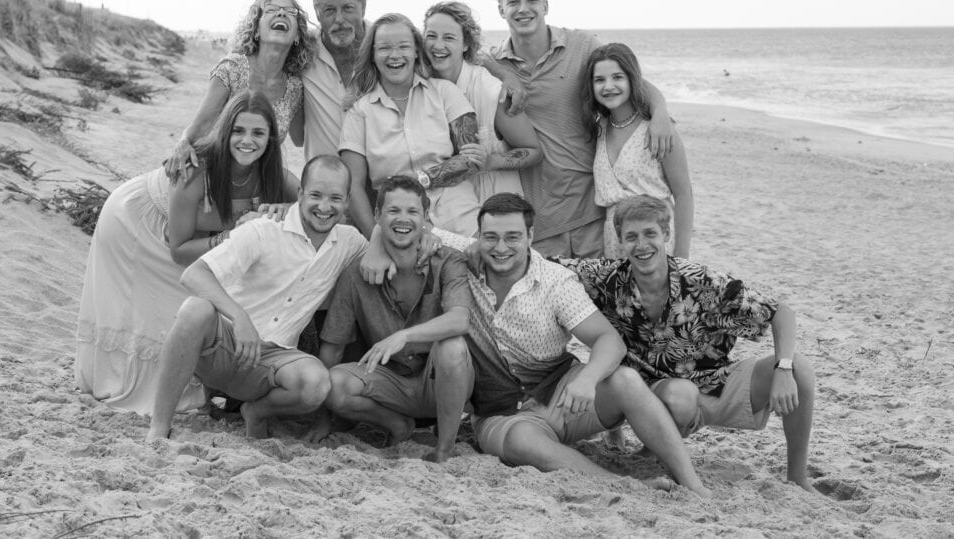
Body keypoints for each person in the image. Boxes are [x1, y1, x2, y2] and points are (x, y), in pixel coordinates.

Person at [424, 194, 709, 494]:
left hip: (561, 393)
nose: (501, 247)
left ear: (531, 235)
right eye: (490, 237)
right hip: (500, 411)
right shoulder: (462, 262)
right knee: (520, 442)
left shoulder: (554, 281)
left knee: (625, 379)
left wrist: (587, 380)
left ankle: (692, 483)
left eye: (513, 237)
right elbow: (411, 224)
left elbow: (609, 340)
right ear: (478, 236)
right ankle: (624, 486)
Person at [557, 195, 816, 491]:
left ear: (666, 235)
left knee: (800, 368)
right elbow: (542, 265)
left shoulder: (700, 280)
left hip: (713, 383)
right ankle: (654, 453)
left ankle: (798, 478)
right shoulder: (605, 278)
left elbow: (779, 313)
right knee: (680, 395)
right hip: (654, 396)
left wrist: (783, 369)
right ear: (620, 242)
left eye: (650, 234)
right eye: (631, 237)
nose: (641, 245)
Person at [76, 92, 289, 415]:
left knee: (190, 304)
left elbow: (317, 201)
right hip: (138, 222)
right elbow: (179, 250)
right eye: (238, 131)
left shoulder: (272, 172)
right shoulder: (197, 170)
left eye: (258, 133)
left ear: (271, 138)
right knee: (156, 308)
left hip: (194, 237)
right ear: (225, 132)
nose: (247, 141)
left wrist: (285, 208)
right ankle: (128, 385)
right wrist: (230, 237)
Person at [145, 155, 368, 441]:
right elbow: (194, 274)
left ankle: (257, 411)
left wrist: (424, 236)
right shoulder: (263, 229)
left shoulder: (350, 242)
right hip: (224, 345)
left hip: (273, 363)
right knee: (194, 309)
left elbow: (380, 252)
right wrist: (240, 318)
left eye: (335, 198)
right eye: (315, 195)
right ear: (299, 194)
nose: (324, 207)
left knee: (316, 384)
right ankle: (160, 426)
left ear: (347, 201)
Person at [481, 0, 675, 258]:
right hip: (539, 218)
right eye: (513, 2)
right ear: (500, 10)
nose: (523, 9)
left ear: (546, 5)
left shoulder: (582, 45)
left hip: (592, 212)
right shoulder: (495, 66)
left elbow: (629, 79)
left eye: (532, 0)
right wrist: (501, 71)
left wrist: (661, 112)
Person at [308, 176, 474, 462]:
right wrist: (322, 419)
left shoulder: (448, 260)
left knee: (453, 347)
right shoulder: (356, 273)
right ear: (377, 216)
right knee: (333, 383)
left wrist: (404, 336)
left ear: (425, 217)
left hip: (441, 382)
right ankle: (397, 425)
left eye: (412, 212)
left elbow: (460, 319)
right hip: (389, 383)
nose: (403, 219)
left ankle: (444, 449)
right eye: (394, 210)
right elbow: (332, 347)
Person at [339, 13, 482, 238]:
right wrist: (376, 241)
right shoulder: (359, 112)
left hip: (461, 219)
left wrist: (421, 178)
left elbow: (472, 158)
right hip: (401, 228)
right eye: (384, 48)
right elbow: (353, 186)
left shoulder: (444, 92)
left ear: (416, 51)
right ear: (373, 55)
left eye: (403, 46)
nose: (394, 55)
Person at [165, 0, 318, 181]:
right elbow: (199, 127)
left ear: (297, 35)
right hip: (212, 171)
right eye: (271, 10)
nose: (281, 13)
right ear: (256, 29)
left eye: (290, 12)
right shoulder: (232, 67)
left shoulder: (295, 86)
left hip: (257, 178)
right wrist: (182, 143)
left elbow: (299, 138)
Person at [583, 43, 693, 258]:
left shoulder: (658, 130)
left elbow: (684, 194)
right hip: (615, 243)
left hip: (655, 240)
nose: (608, 86)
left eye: (617, 77)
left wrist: (682, 256)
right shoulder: (599, 130)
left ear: (631, 79)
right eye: (599, 80)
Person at [423, 1, 541, 200]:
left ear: (466, 44)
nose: (438, 45)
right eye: (431, 36)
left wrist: (492, 160)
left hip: (493, 200)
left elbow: (534, 151)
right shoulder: (422, 87)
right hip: (441, 205)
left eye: (449, 38)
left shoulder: (491, 92)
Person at [293, 0, 371, 161]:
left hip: (381, 185)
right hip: (324, 186)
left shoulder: (388, 48)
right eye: (329, 10)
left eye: (347, 8)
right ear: (317, 13)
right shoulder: (301, 52)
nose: (339, 19)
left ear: (363, 6)